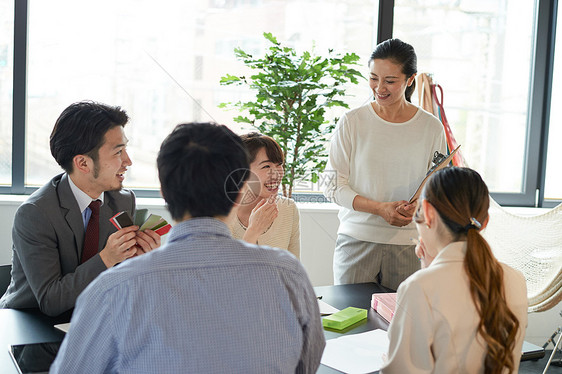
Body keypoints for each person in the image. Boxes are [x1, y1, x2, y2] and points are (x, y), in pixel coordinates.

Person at [50, 122, 325, 373]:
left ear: (164, 191)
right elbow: (307, 364)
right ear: (240, 188)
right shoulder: (289, 274)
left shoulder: (113, 290)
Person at [0, 101, 160, 317]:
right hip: (30, 325)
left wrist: (143, 260)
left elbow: (121, 283)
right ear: (83, 164)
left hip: (93, 317)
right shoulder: (35, 213)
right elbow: (51, 300)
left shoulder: (123, 201)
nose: (128, 161)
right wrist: (107, 257)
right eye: (118, 152)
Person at [323, 38, 447, 290]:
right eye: (373, 78)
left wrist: (418, 208)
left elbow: (438, 187)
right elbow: (331, 186)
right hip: (356, 241)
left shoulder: (431, 127)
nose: (379, 88)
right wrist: (380, 209)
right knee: (351, 324)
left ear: (410, 79)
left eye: (390, 81)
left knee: (403, 325)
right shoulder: (351, 122)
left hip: (409, 245)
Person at [381, 167, 528, 373]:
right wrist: (430, 269)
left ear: (429, 213)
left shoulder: (419, 288)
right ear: (484, 222)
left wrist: (426, 274)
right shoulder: (515, 279)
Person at [229, 132, 300, 258]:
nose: (277, 174)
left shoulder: (288, 209)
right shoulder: (222, 216)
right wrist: (253, 230)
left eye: (279, 165)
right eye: (266, 166)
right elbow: (224, 274)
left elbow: (293, 269)